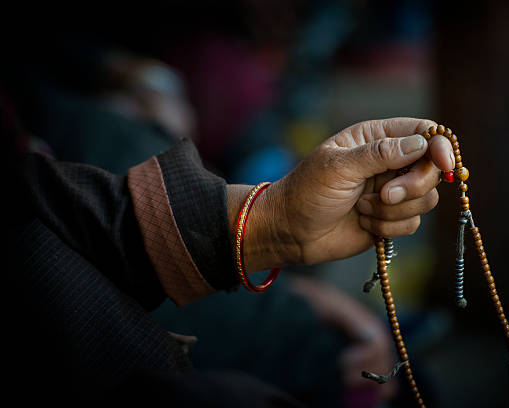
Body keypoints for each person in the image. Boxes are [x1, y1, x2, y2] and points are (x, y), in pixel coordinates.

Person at [6, 115, 453, 406]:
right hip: (66, 295)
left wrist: (271, 229)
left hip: (94, 226)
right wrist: (265, 225)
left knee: (392, 371)